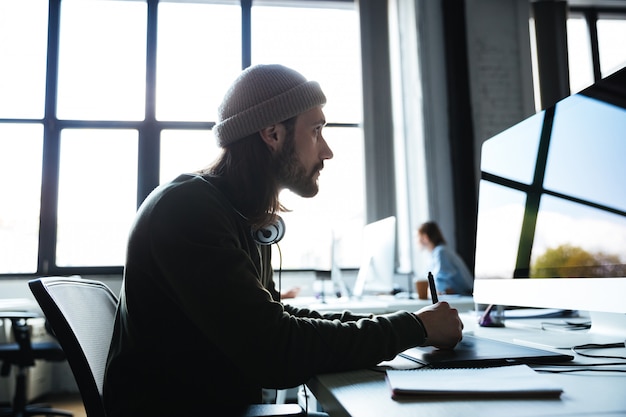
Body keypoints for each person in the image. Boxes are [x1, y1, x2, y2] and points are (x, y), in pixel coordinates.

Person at [103, 64, 463, 416]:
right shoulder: (189, 211)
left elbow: (276, 319)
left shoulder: (236, 213)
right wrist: (414, 328)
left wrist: (412, 322)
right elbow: (275, 351)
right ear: (272, 134)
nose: (327, 151)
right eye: (316, 130)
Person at [417, 221, 474, 295]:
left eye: (417, 237)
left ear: (425, 237)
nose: (416, 241)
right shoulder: (434, 254)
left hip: (465, 295)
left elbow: (440, 279)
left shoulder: (441, 252)